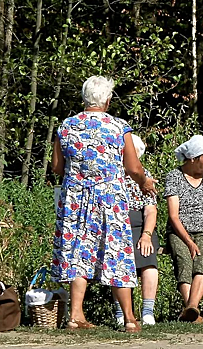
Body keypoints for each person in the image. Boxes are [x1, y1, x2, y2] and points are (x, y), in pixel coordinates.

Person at [51, 76, 157, 333]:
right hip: (109, 200)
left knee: (78, 250)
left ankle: (76, 315)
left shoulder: (66, 127)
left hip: (75, 200)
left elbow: (56, 167)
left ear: (85, 99)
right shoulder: (119, 127)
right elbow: (133, 167)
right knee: (117, 252)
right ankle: (130, 319)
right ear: (107, 100)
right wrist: (145, 182)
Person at [164, 135, 203, 323]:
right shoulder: (174, 176)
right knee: (184, 260)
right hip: (180, 231)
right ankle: (193, 312)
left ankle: (191, 306)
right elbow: (173, 216)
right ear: (194, 159)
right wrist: (188, 241)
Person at [112, 134, 159, 326]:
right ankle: (120, 312)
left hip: (140, 224)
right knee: (115, 263)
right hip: (116, 224)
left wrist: (146, 235)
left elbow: (150, 209)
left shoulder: (144, 177)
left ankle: (148, 311)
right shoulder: (111, 176)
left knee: (148, 260)